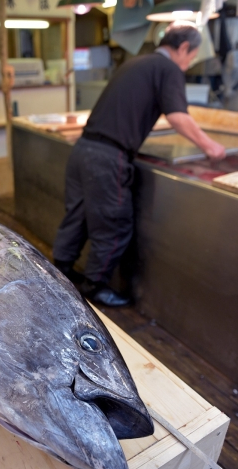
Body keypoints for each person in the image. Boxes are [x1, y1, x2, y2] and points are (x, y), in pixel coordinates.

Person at [53, 21, 226, 307]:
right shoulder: (168, 68)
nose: (189, 63)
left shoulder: (138, 62)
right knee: (114, 224)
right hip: (108, 158)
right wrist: (211, 146)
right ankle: (94, 286)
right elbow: (178, 117)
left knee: (79, 215)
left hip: (84, 149)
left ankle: (60, 270)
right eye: (192, 57)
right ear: (183, 48)